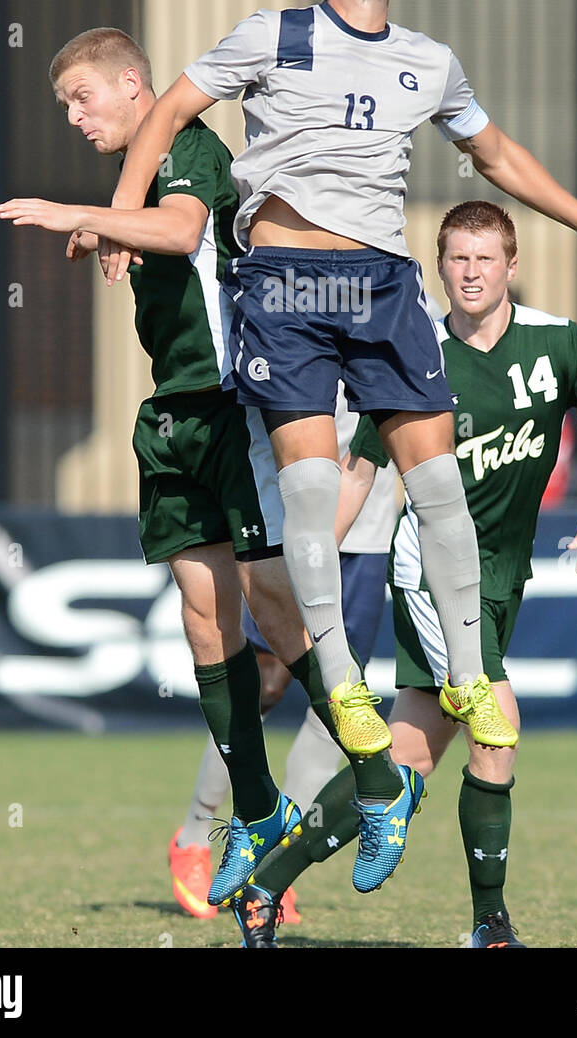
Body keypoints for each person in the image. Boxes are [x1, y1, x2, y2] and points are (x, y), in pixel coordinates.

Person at [103, 0, 577, 818]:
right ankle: (345, 689)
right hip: (283, 284)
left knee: (437, 485)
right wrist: (128, 219)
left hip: (382, 286)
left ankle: (469, 675)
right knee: (314, 494)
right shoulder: (274, 34)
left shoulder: (429, 61)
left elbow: (498, 156)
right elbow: (167, 111)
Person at [0, 27, 415, 901]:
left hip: (235, 404)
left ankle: (376, 777)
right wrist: (109, 225)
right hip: (174, 413)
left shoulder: (189, 144)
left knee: (270, 604)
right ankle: (258, 808)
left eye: (83, 98)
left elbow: (184, 230)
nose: (74, 117)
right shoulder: (139, 174)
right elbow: (152, 228)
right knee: (203, 618)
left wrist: (85, 217)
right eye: (65, 106)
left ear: (131, 84)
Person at [230, 200, 577, 948]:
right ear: (440, 266)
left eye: (484, 258)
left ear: (510, 266)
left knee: (405, 760)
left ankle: (265, 886)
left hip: (501, 579)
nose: (470, 273)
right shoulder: (410, 352)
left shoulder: (558, 344)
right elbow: (358, 473)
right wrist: (312, 565)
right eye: (457, 259)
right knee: (497, 728)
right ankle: (489, 927)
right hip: (428, 574)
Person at [169, 381, 400, 921]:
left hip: (363, 534)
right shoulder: (273, 297)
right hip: (282, 523)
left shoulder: (408, 303)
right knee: (266, 682)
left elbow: (405, 403)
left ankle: (271, 862)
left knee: (340, 697)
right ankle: (196, 837)